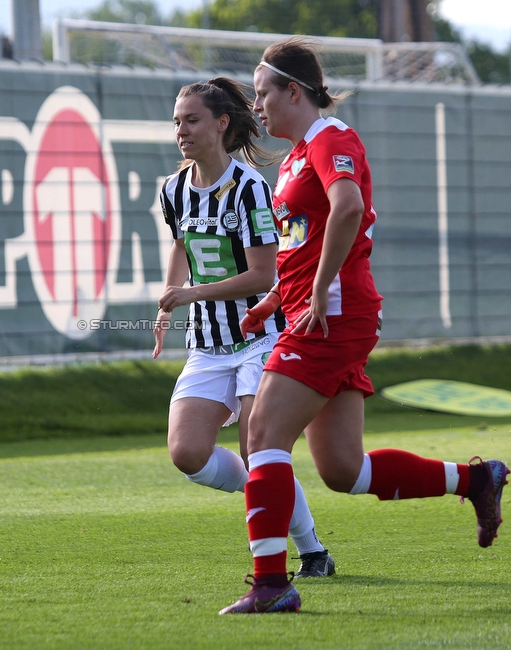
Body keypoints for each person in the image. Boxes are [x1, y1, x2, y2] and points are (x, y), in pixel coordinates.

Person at [218, 38, 511, 615]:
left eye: (263, 95)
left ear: (294, 92)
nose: (258, 108)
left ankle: (271, 584)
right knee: (343, 470)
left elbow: (348, 207)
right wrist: (275, 297)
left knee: (261, 438)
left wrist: (319, 292)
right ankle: (476, 481)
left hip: (332, 315)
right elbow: (307, 246)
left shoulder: (332, 139)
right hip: (323, 310)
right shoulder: (297, 157)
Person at [152, 77, 334, 579]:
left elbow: (262, 274)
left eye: (192, 121)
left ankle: (312, 549)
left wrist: (189, 294)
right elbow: (182, 246)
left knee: (261, 450)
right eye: (177, 122)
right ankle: (263, 488)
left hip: (259, 337)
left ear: (221, 124)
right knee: (187, 453)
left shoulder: (251, 187)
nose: (181, 132)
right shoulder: (173, 190)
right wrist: (169, 305)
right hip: (208, 345)